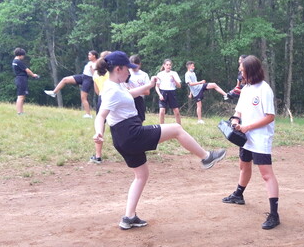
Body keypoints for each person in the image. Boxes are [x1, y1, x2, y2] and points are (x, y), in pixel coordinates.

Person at [92, 51, 226, 230]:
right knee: (177, 129)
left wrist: (149, 84)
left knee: (141, 175)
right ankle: (206, 157)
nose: (130, 73)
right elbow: (101, 116)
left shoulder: (117, 86)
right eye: (128, 70)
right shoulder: (110, 90)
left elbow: (130, 94)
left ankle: (129, 217)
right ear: (118, 69)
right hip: (131, 133)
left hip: (122, 138)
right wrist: (98, 132)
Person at [221, 55, 281, 230]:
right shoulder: (246, 89)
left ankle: (274, 214)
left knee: (266, 174)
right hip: (245, 137)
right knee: (243, 165)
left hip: (260, 138)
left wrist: (247, 127)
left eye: (242, 71)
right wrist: (235, 121)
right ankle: (238, 195)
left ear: (251, 71)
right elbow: (238, 111)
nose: (240, 74)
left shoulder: (265, 89)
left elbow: (270, 117)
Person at [45, 50, 98, 118]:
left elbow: (94, 75)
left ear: (94, 56)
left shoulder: (96, 64)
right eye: (88, 55)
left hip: (88, 79)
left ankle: (88, 114)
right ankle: (54, 92)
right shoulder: (90, 62)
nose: (88, 56)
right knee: (65, 79)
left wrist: (92, 69)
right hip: (83, 76)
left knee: (83, 97)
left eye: (90, 55)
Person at [89, 50, 112, 164]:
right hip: (113, 97)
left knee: (100, 126)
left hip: (102, 98)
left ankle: (98, 156)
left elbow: (97, 90)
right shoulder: (112, 73)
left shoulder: (96, 73)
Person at [12, 48, 39, 115]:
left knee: (22, 96)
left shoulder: (14, 61)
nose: (23, 57)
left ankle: (21, 112)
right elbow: (27, 70)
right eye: (23, 55)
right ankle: (19, 112)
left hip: (19, 79)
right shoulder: (18, 62)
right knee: (20, 96)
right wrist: (34, 75)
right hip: (21, 79)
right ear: (20, 55)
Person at [155, 59, 182, 125]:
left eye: (170, 65)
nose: (168, 66)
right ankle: (162, 127)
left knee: (176, 111)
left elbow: (179, 86)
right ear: (164, 65)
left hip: (172, 92)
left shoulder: (174, 73)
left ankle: (179, 127)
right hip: (163, 92)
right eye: (167, 65)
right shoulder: (160, 74)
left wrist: (174, 79)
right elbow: (156, 87)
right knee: (162, 111)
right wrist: (160, 95)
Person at [127, 54, 151, 122]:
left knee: (140, 119)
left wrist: (134, 90)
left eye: (135, 66)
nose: (133, 68)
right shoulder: (126, 73)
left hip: (139, 99)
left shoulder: (144, 75)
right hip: (128, 98)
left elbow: (147, 92)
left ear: (139, 64)